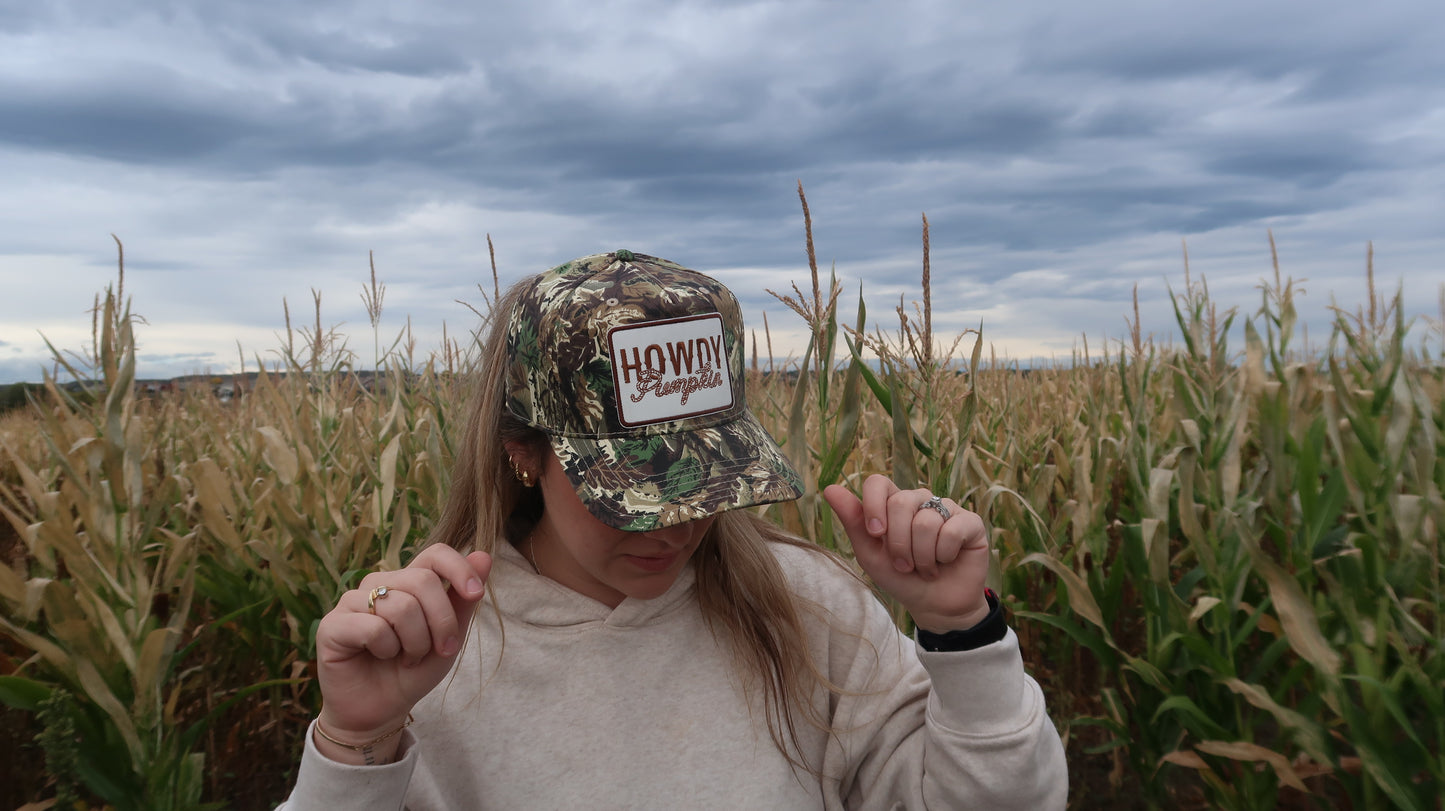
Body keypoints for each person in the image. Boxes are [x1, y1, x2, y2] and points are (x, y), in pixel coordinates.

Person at [278, 250, 1067, 809]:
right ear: (523, 452)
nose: (679, 523)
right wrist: (358, 743)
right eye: (633, 491)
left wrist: (961, 631)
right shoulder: (431, 655)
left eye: (705, 477)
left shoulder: (808, 608)